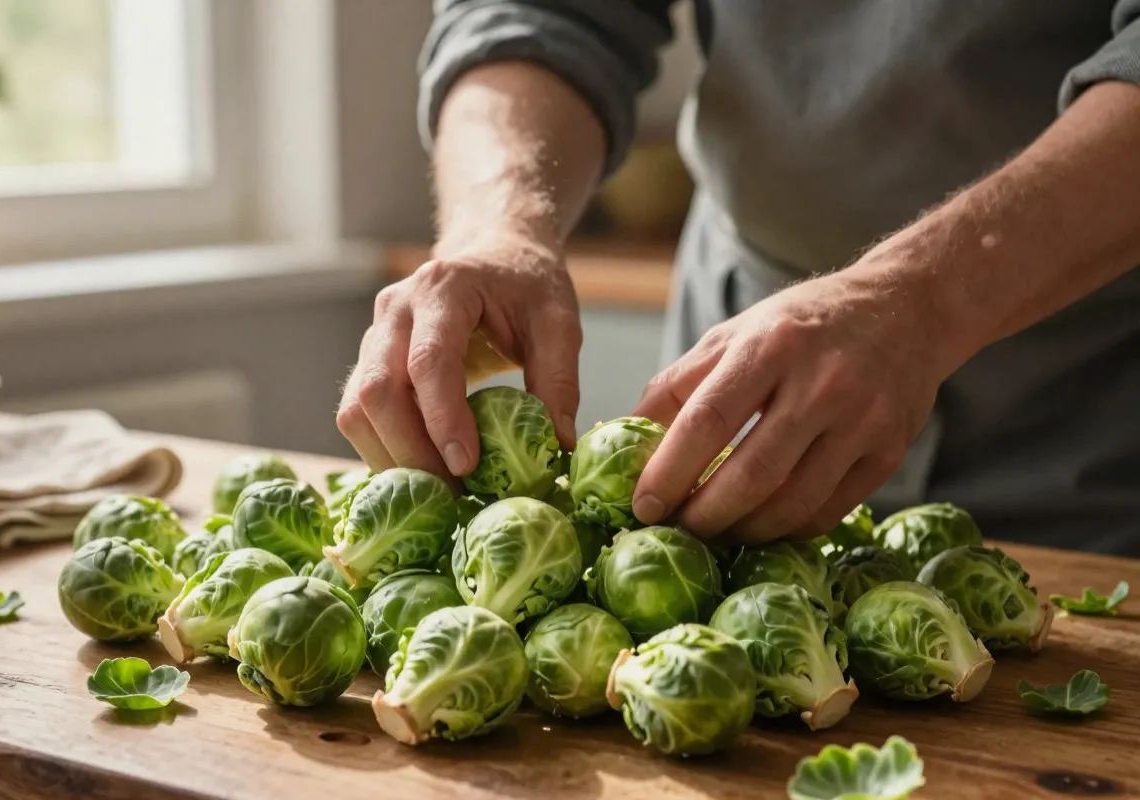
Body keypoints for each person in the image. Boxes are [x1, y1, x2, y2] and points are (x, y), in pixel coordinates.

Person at [337, 1, 1140, 557]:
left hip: (1092, 428)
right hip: (741, 389)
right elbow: (543, 14)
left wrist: (921, 303)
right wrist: (498, 225)